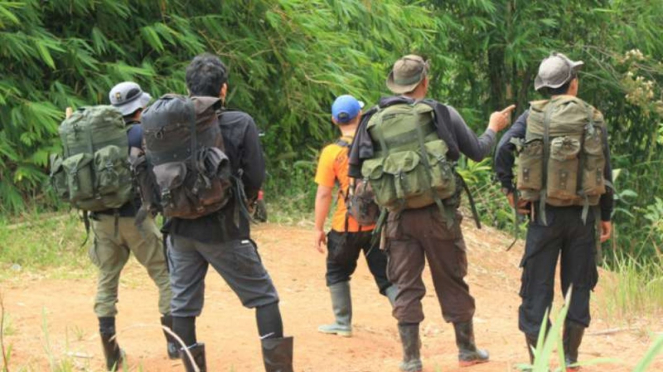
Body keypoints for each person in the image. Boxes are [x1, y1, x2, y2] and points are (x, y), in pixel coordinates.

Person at [348, 54, 515, 372]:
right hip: (440, 215)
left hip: (397, 218)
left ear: (395, 84)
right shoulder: (440, 113)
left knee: (406, 285)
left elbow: (357, 172)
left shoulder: (371, 119)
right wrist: (494, 128)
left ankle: (411, 359)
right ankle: (467, 350)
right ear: (424, 81)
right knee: (452, 279)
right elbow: (477, 151)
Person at [163, 54, 293, 372]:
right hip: (224, 228)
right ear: (224, 89)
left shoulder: (168, 125)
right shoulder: (238, 122)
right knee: (264, 297)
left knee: (183, 305)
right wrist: (245, 202)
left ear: (187, 88)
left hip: (178, 230)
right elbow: (255, 175)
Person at [494, 52, 613, 370]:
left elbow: (503, 150)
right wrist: (606, 215)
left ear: (545, 88)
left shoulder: (533, 116)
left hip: (543, 214)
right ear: (572, 84)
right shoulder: (591, 116)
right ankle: (571, 357)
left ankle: (540, 359)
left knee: (537, 286)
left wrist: (511, 192)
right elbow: (605, 171)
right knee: (577, 284)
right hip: (583, 216)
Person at [92, 82, 176, 371]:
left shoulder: (98, 137)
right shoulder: (141, 133)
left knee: (107, 281)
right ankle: (174, 344)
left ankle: (111, 353)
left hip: (102, 222)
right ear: (139, 107)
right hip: (137, 219)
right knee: (164, 275)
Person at [313, 95, 398, 338]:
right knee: (387, 276)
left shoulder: (331, 153)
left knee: (337, 271)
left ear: (333, 120)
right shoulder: (375, 145)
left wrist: (318, 228)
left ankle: (342, 323)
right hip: (377, 225)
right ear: (359, 116)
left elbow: (323, 193)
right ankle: (406, 317)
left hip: (344, 226)